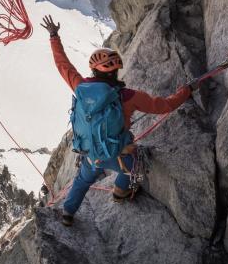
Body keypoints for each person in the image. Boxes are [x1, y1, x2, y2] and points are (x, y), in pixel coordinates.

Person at [40, 15, 193, 226]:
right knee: (135, 165)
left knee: (83, 180)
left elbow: (63, 66)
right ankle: (120, 193)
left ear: (94, 70)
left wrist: (54, 36)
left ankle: (67, 212)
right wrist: (187, 91)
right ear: (115, 71)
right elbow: (164, 106)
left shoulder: (80, 87)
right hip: (117, 154)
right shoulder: (128, 96)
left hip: (90, 154)